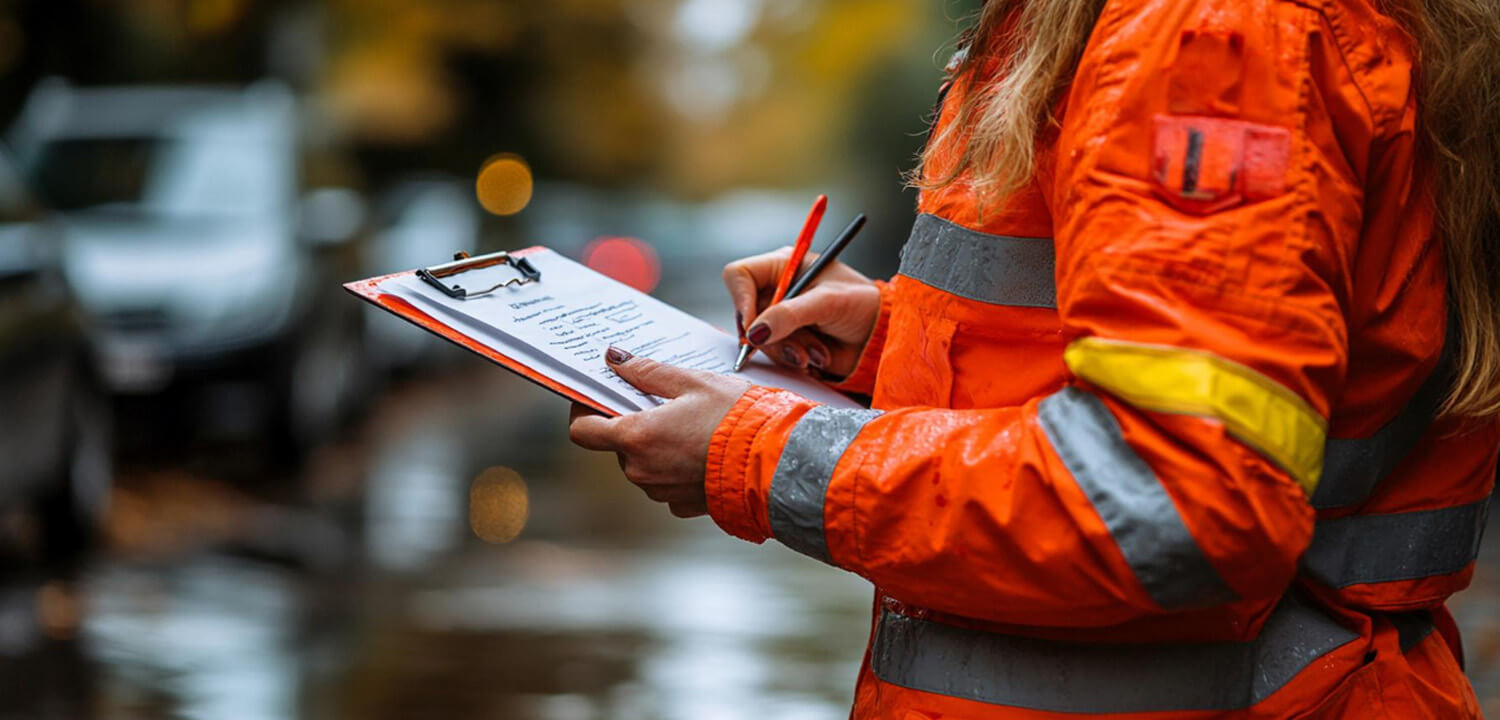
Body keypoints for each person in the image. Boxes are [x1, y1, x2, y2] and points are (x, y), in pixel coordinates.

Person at [568, 0, 1500, 715]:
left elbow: (1172, 494)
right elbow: (1233, 357)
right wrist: (888, 342)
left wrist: (759, 455)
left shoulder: (1209, 37)